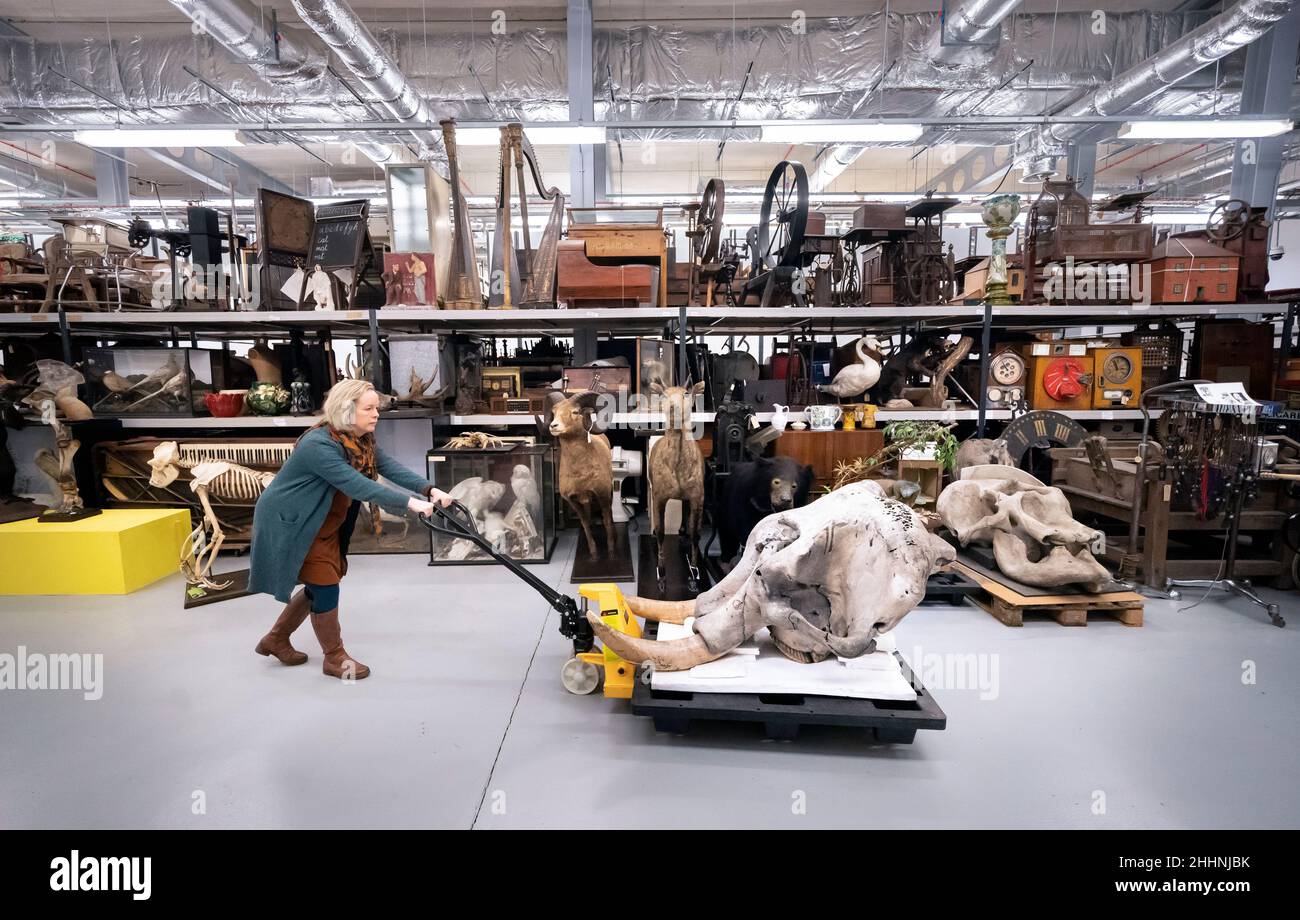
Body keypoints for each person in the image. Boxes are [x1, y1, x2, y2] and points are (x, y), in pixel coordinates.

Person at [248, 379, 451, 680]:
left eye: (376, 408)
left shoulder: (360, 440)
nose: (376, 414)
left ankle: (276, 639)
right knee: (326, 583)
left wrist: (429, 488)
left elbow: (389, 467)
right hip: (294, 520)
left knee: (324, 579)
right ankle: (334, 657)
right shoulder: (318, 445)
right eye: (368, 408)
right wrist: (412, 503)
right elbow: (357, 484)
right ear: (346, 410)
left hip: (324, 518)